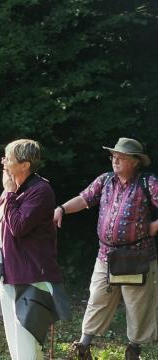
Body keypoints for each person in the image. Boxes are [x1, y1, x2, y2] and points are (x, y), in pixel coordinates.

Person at [55, 137, 158, 360]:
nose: (115, 160)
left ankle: (133, 350)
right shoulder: (105, 180)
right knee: (97, 298)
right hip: (106, 255)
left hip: (137, 256)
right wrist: (62, 209)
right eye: (114, 156)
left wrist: (154, 227)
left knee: (137, 305)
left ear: (135, 162)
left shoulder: (147, 182)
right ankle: (83, 346)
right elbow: (83, 200)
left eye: (121, 157)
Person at [0, 139, 68, 359]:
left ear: (25, 165)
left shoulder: (40, 190)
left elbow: (18, 227)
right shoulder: (14, 189)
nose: (3, 162)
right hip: (9, 275)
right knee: (18, 345)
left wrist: (9, 194)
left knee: (26, 345)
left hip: (32, 278)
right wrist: (8, 194)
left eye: (9, 158)